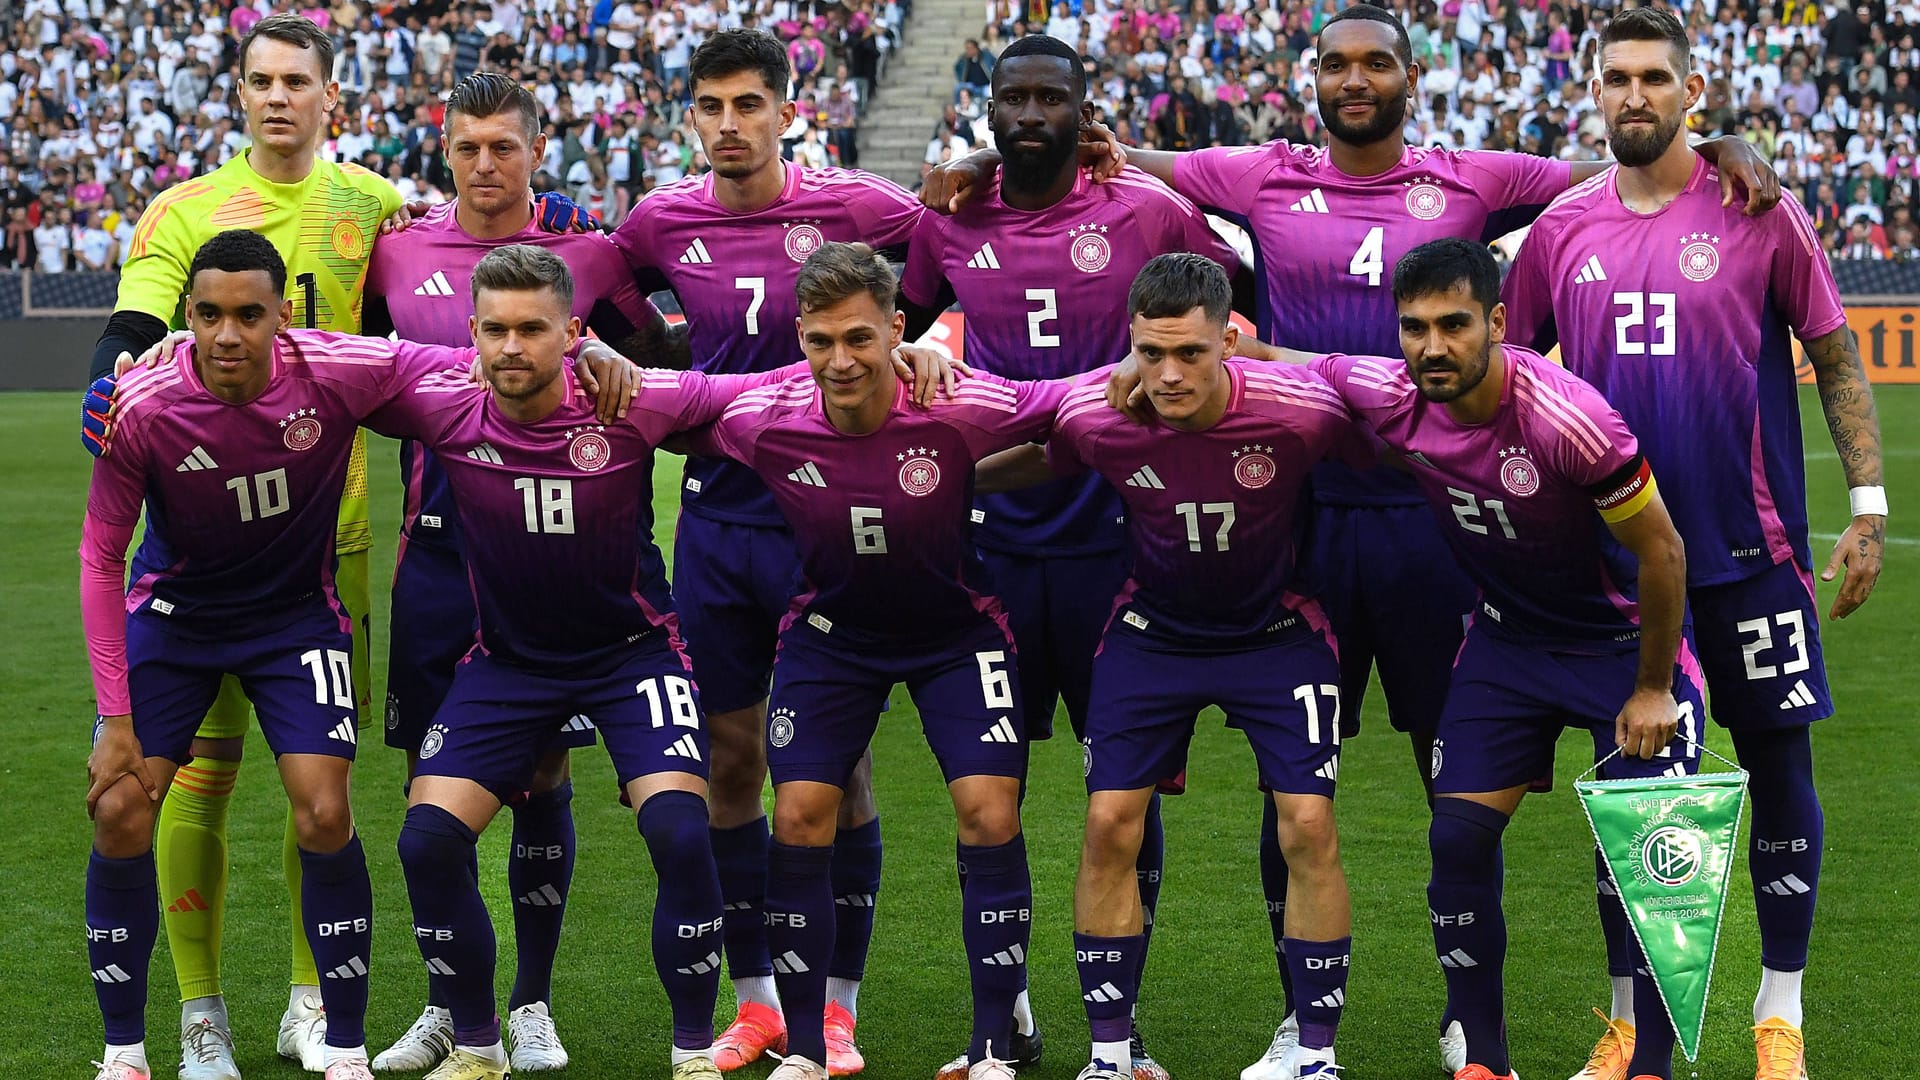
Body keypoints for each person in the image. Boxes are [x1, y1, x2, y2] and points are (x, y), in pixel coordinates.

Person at [918, 8, 1776, 1074]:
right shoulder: (1258, 174)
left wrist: (1724, 146)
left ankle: (1485, 1020)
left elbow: (1619, 165)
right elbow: (1119, 153)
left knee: (1450, 783)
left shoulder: (1473, 176)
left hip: (1429, 524)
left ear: (1414, 76)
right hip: (1305, 514)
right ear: (1311, 76)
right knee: (1295, 794)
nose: (1356, 79)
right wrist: (987, 161)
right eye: (1337, 63)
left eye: (1377, 63)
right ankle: (1301, 1023)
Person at [1502, 9, 1886, 1080]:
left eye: (1655, 79)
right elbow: (1506, 376)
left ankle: (1781, 1016)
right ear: (1595, 92)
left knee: (1779, 764)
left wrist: (1869, 502)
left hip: (1750, 552)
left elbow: (1834, 352)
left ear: (1693, 93)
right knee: (1628, 798)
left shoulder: (1761, 209)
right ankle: (1629, 1026)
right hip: (1614, 571)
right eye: (1616, 78)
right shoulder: (1560, 231)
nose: (1635, 95)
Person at [897, 33, 1243, 1080]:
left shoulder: (1141, 209)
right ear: (990, 108)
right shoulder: (949, 219)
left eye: (1054, 97)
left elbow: (1234, 298)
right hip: (993, 549)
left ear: (1084, 109)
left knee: (1124, 793)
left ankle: (1116, 1022)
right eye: (1016, 97)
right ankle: (994, 1022)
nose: (1033, 113)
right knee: (988, 796)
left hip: (1123, 548)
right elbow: (888, 327)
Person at [367, 244, 786, 1080]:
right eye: (494, 330)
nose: (512, 347)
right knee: (426, 843)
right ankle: (480, 1044)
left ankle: (693, 1050)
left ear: (574, 333)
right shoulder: (442, 399)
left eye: (533, 329)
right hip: (508, 666)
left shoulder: (630, 401)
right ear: (471, 333)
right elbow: (309, 361)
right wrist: (162, 349)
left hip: (632, 660)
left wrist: (912, 355)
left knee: (678, 829)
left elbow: (767, 391)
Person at [1290, 237, 1700, 1080]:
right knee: (1458, 839)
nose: (1433, 346)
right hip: (1508, 644)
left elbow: (1663, 553)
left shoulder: (1569, 420)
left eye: (1454, 324)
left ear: (1499, 323)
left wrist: (1653, 686)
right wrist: (1187, 362)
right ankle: (1484, 1060)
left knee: (1649, 856)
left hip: (1619, 649)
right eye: (1413, 328)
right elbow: (1300, 363)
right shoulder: (1394, 394)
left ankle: (1652, 1067)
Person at [82, 16, 402, 1075]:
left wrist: (544, 219)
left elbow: (451, 275)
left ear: (329, 96)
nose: (276, 96)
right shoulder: (183, 210)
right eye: (259, 79)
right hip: (199, 552)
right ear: (239, 93)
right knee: (195, 785)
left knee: (320, 791)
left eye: (295, 81)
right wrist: (110, 378)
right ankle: (199, 1006)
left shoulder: (371, 204)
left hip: (331, 546)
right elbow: (133, 323)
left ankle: (310, 1001)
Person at [677, 242, 1075, 1080]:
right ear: (798, 336)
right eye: (820, 341)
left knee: (988, 815)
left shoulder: (958, 402)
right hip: (833, 637)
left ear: (898, 329)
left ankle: (995, 1045)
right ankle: (813, 1050)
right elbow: (662, 401)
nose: (839, 359)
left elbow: (1064, 408)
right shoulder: (764, 413)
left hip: (957, 636)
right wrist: (593, 356)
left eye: (859, 338)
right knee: (798, 816)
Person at [610, 29, 925, 1074]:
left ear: (789, 109)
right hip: (716, 523)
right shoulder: (659, 222)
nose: (730, 125)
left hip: (830, 521)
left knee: (839, 768)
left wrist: (929, 344)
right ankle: (758, 1007)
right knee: (732, 761)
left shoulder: (861, 211)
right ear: (689, 116)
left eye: (750, 104)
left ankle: (833, 1007)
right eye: (711, 107)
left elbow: (943, 268)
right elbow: (609, 307)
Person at [361, 71, 683, 1075]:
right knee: (432, 791)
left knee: (543, 773)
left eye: (506, 145)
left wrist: (636, 372)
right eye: (469, 146)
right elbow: (353, 373)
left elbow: (664, 369)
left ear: (537, 150)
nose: (487, 163)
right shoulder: (397, 250)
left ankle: (532, 1003)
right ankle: (453, 1011)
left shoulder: (592, 255)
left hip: (561, 560)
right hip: (439, 556)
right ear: (444, 150)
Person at [976, 253, 1363, 1080]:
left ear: (1231, 339)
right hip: (1155, 633)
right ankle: (1112, 1057)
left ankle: (1316, 1056)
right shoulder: (1102, 414)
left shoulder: (1299, 412)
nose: (1169, 373)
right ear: (1129, 345)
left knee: (1309, 824)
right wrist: (951, 489)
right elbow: (1047, 453)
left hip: (1278, 631)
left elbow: (1398, 438)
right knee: (1110, 821)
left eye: (1190, 353)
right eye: (1150, 353)